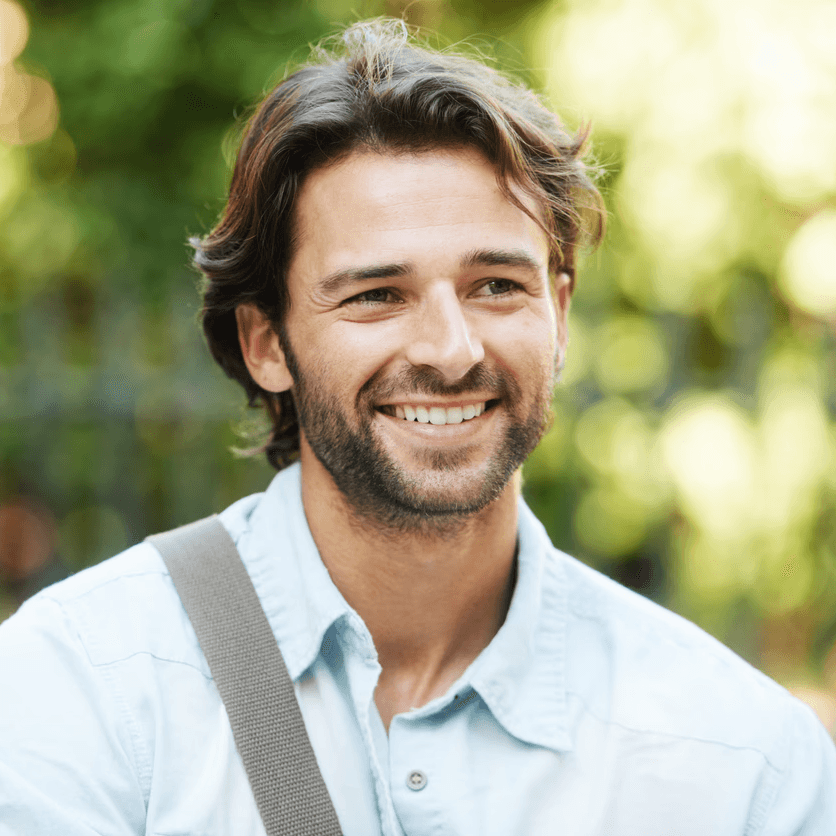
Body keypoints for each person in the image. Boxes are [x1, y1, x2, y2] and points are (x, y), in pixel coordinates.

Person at [0, 19, 833, 836]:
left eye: (498, 285)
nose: (450, 349)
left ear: (561, 313)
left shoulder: (743, 763)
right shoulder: (82, 693)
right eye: (376, 295)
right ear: (265, 343)